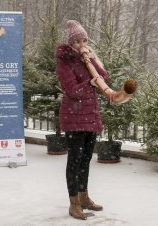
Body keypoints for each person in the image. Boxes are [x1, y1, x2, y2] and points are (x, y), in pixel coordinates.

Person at [55, 20, 108, 220]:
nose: (81, 44)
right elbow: (72, 90)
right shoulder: (64, 61)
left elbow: (104, 76)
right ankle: (74, 203)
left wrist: (92, 60)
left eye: (84, 40)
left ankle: (85, 197)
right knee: (74, 162)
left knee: (86, 160)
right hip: (74, 117)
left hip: (90, 116)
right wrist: (91, 82)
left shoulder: (86, 58)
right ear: (70, 43)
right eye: (77, 41)